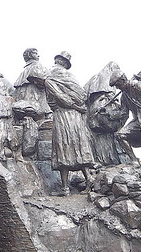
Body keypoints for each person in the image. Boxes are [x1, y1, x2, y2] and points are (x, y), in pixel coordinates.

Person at [29, 51, 95, 196]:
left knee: (62, 148)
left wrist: (73, 106)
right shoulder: (70, 76)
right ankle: (88, 178)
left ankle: (65, 188)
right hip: (76, 117)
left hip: (63, 115)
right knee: (77, 146)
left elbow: (61, 98)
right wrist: (79, 108)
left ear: (57, 60)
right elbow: (82, 95)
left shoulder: (50, 77)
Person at [12, 48, 52, 121]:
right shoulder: (37, 66)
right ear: (30, 55)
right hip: (35, 103)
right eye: (35, 53)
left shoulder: (25, 70)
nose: (38, 55)